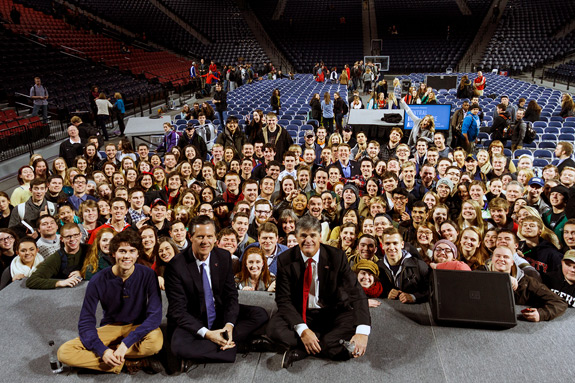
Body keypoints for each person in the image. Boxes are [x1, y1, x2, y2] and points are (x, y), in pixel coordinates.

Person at [165, 215, 269, 367]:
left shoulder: (223, 256)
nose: (205, 241)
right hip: (193, 319)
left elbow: (231, 296)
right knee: (178, 346)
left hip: (219, 314)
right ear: (190, 237)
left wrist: (229, 325)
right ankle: (234, 347)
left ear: (215, 238)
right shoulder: (176, 265)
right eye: (200, 236)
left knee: (260, 314)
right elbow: (178, 311)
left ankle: (219, 342)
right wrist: (207, 334)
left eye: (209, 236)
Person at [267, 215, 370, 368]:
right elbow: (283, 300)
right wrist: (303, 330)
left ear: (320, 237)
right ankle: (324, 343)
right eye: (303, 235)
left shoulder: (337, 257)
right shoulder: (285, 259)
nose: (308, 240)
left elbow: (356, 293)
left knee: (351, 328)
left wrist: (362, 331)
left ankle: (303, 349)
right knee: (273, 329)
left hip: (334, 312)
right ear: (296, 237)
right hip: (301, 312)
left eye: (313, 235)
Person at [57, 230, 164, 374]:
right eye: (122, 251)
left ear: (138, 254)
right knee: (64, 352)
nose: (127, 256)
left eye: (132, 251)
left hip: (138, 326)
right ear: (113, 253)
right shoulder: (97, 280)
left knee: (155, 343)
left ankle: (113, 355)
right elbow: (86, 321)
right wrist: (102, 350)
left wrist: (126, 344)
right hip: (111, 326)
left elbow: (155, 315)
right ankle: (130, 362)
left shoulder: (148, 274)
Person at [487, 246, 567, 321]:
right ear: (492, 259)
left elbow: (559, 302)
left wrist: (541, 314)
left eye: (506, 257)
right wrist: (503, 279)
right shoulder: (480, 273)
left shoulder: (527, 282)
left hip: (517, 324)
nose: (501, 259)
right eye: (498, 256)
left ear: (512, 262)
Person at [26, 223, 87, 289]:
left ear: (80, 235)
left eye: (75, 235)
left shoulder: (89, 250)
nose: (72, 239)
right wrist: (59, 283)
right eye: (68, 237)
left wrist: (83, 273)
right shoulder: (57, 258)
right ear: (61, 239)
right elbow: (32, 281)